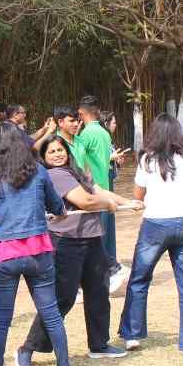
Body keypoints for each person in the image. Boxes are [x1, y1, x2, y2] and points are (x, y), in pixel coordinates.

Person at [17, 135, 137, 366]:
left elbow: (98, 190)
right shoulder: (54, 176)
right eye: (51, 152)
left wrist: (127, 201)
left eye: (60, 150)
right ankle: (27, 348)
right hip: (66, 242)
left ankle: (99, 345)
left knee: (98, 292)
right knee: (63, 297)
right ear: (44, 158)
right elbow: (86, 201)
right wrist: (108, 205)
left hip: (91, 238)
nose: (57, 155)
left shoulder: (75, 171)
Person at [0, 122, 72, 366]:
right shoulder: (39, 171)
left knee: (1, 319)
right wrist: (58, 212)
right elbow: (57, 207)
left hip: (5, 253)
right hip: (39, 251)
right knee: (51, 312)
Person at [119, 115, 183, 355]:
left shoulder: (147, 159)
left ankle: (132, 334)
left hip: (156, 223)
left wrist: (138, 201)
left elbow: (138, 192)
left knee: (140, 277)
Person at [74, 96, 126, 292]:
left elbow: (77, 160)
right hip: (104, 188)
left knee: (91, 238)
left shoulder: (86, 134)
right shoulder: (104, 133)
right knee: (102, 235)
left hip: (92, 191)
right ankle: (109, 269)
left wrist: (76, 136)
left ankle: (108, 271)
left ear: (82, 113)